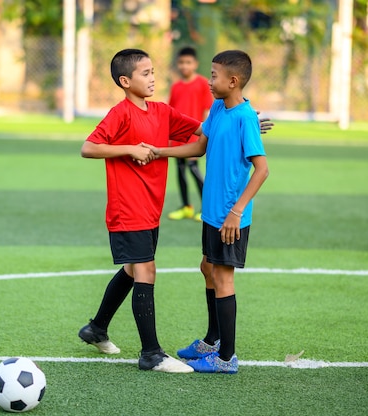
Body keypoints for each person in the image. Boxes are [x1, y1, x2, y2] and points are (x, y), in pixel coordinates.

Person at [78, 48, 202, 373]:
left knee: (134, 271)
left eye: (152, 71)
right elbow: (88, 147)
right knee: (146, 271)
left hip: (151, 208)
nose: (152, 78)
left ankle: (96, 328)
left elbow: (202, 130)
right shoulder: (120, 114)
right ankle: (152, 354)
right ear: (125, 80)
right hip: (127, 208)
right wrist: (128, 149)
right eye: (145, 73)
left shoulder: (162, 112)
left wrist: (244, 121)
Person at [145, 50, 269, 374]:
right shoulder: (217, 108)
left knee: (223, 278)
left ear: (234, 80)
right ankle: (212, 340)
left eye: (214, 76)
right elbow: (199, 146)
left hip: (231, 217)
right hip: (212, 213)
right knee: (207, 268)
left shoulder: (245, 117)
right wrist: (160, 152)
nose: (209, 80)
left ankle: (226, 358)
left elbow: (262, 170)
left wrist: (237, 212)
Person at [166, 46, 213, 222]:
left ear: (195, 64)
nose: (184, 66)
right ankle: (186, 206)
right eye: (181, 62)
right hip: (178, 136)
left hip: (195, 134)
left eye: (188, 62)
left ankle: (206, 207)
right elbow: (171, 112)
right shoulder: (176, 86)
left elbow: (208, 110)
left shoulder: (202, 83)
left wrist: (206, 134)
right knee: (180, 170)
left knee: (193, 169)